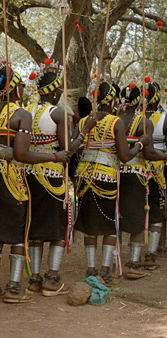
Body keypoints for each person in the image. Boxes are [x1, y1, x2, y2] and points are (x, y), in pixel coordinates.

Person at [0, 65, 69, 304]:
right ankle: (14, 287)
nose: (23, 90)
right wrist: (54, 156)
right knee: (20, 231)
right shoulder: (20, 114)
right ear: (15, 88)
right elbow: (21, 154)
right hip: (11, 178)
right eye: (20, 86)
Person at [24, 61, 94, 296]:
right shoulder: (58, 113)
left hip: (31, 176)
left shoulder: (28, 112)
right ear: (54, 91)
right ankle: (51, 278)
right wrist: (84, 131)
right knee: (57, 228)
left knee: (34, 227)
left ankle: (34, 278)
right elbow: (68, 149)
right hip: (52, 178)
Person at [74, 82, 147, 285]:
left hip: (84, 178)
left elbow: (74, 148)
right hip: (106, 179)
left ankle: (91, 269)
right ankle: (105, 270)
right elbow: (124, 156)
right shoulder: (116, 122)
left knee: (89, 226)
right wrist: (141, 144)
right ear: (113, 100)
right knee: (109, 225)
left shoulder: (83, 122)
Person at [114, 84, 167, 279]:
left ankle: (113, 263)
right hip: (138, 174)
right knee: (138, 219)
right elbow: (150, 153)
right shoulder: (144, 122)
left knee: (117, 216)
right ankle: (134, 264)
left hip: (116, 174)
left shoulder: (115, 119)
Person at [143, 82, 165, 270]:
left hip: (134, 170)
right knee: (157, 211)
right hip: (157, 172)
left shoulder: (132, 117)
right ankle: (151, 254)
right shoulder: (163, 118)